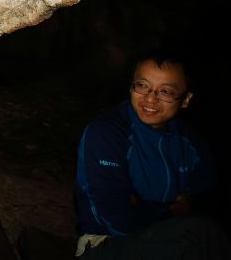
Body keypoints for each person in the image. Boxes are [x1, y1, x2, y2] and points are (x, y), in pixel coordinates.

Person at [74, 49, 230, 259]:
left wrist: (150, 206)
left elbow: (209, 200)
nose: (150, 98)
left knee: (206, 234)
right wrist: (170, 211)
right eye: (142, 86)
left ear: (185, 99)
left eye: (165, 91)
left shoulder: (191, 143)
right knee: (198, 235)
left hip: (168, 238)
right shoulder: (107, 133)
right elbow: (114, 219)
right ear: (131, 87)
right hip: (103, 245)